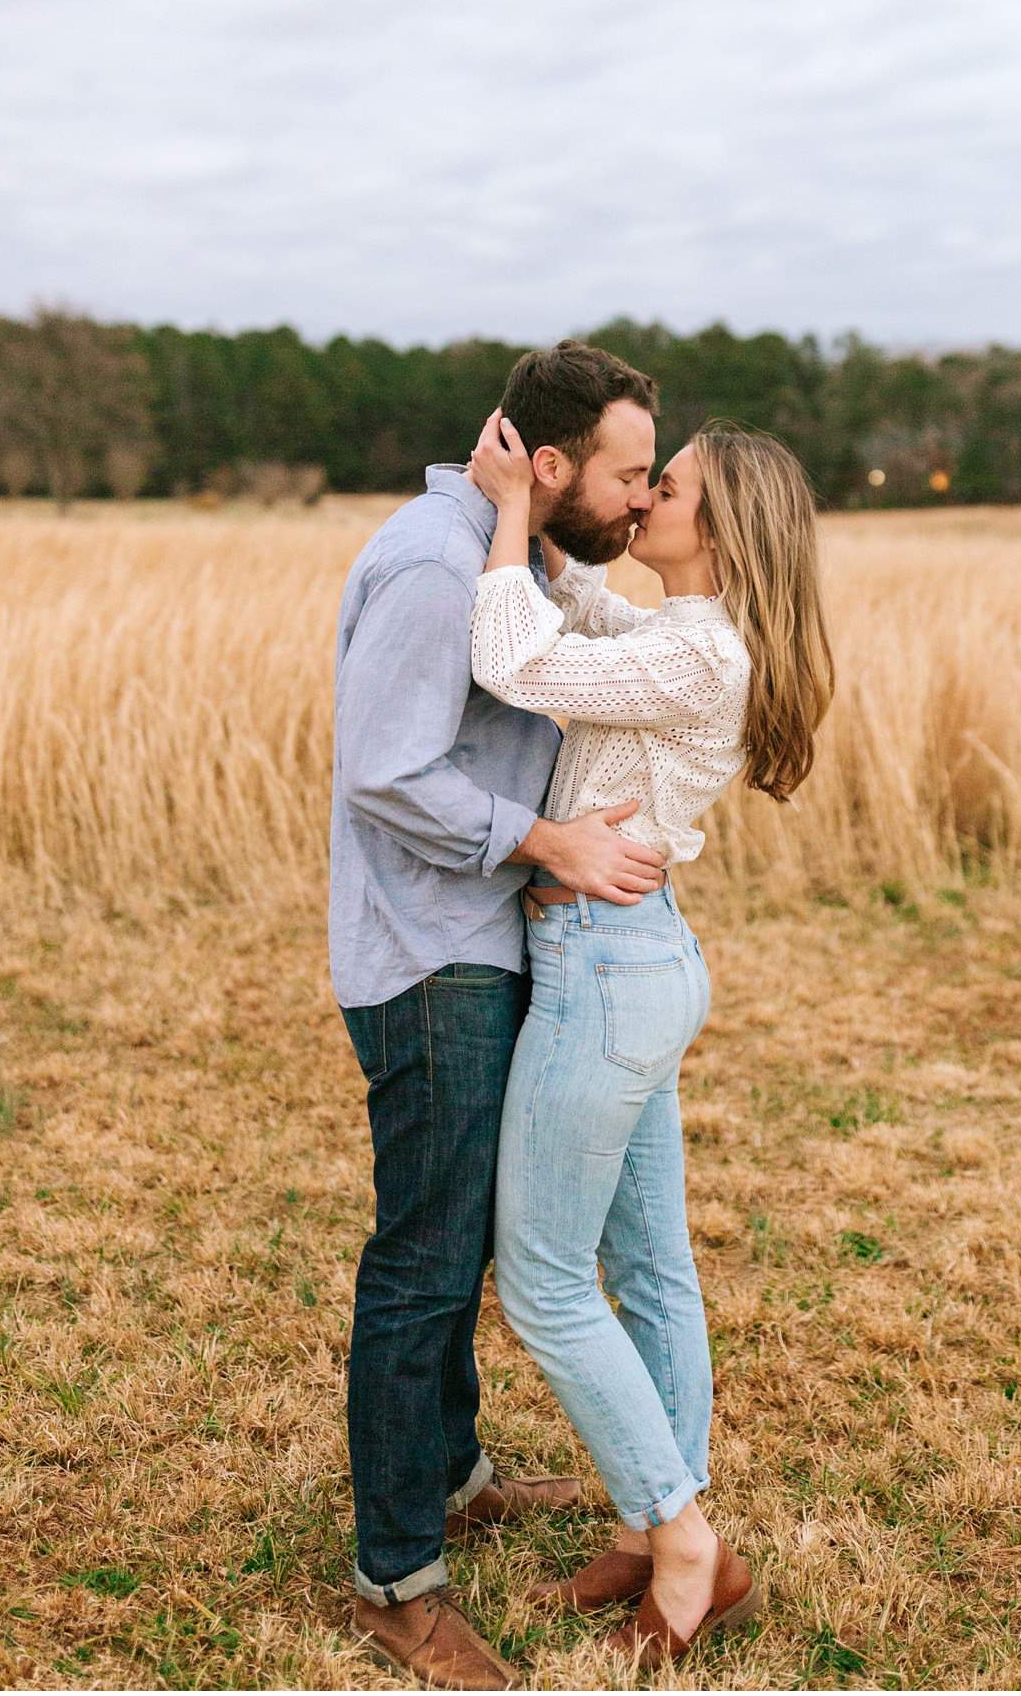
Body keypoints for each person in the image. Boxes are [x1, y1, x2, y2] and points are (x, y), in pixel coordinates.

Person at [330, 340, 675, 1692]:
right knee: (423, 1257)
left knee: (462, 1233)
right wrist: (550, 841)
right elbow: (387, 771)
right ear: (547, 465)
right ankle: (397, 1579)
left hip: (478, 939)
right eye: (628, 473)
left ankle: (453, 1470)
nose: (643, 500)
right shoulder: (432, 563)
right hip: (431, 957)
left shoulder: (513, 555)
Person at [467, 410, 835, 1671]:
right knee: (652, 1263)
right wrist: (554, 507)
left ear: (714, 526)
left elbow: (519, 657)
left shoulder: (699, 655)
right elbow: (587, 617)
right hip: (639, 960)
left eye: (660, 487)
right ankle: (650, 1516)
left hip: (605, 973)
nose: (641, 500)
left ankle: (685, 1547)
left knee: (547, 1281)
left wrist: (508, 512)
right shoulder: (687, 633)